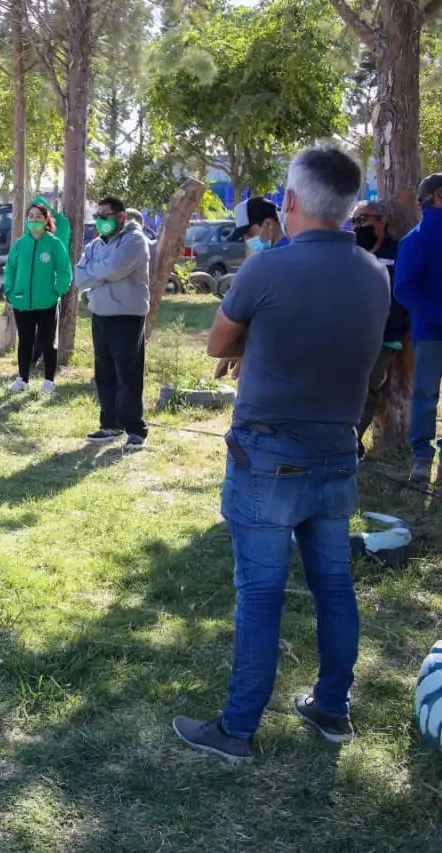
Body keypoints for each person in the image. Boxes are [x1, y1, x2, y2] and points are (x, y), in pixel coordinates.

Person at [173, 146, 389, 764]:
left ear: (290, 202)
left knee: (261, 594)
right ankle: (332, 706)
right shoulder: (375, 274)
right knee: (334, 585)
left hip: (268, 457)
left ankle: (237, 729)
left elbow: (218, 338)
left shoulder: (266, 270)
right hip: (337, 451)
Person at [75, 196, 151, 451]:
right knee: (104, 373)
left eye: (105, 215)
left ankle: (134, 429)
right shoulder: (95, 245)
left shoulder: (135, 241)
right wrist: (101, 274)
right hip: (100, 316)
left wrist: (97, 274)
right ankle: (109, 424)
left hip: (127, 317)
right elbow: (79, 276)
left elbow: (116, 269)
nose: (100, 220)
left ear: (120, 216)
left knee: (127, 374)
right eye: (97, 216)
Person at [350, 200, 409, 459]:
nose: (357, 226)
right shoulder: (350, 254)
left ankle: (348, 446)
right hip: (349, 336)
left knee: (365, 389)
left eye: (363, 220)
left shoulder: (398, 252)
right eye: (353, 221)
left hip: (385, 336)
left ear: (381, 221)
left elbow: (401, 297)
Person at [393, 173, 442, 482]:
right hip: (430, 332)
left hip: (429, 331)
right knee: (425, 395)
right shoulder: (419, 237)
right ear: (439, 195)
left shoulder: (415, 238)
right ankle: (422, 460)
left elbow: (404, 288)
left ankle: (423, 459)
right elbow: (404, 289)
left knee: (424, 395)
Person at [3, 202, 72, 393]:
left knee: (47, 341)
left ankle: (49, 381)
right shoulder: (20, 244)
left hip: (47, 303)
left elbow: (65, 271)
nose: (34, 220)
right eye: (31, 216)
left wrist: (57, 291)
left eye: (38, 217)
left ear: (45, 220)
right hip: (21, 301)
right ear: (27, 220)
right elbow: (10, 268)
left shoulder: (54, 244)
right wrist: (9, 290)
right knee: (25, 341)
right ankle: (22, 379)